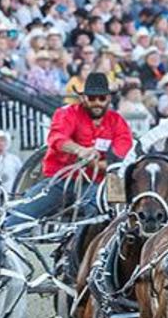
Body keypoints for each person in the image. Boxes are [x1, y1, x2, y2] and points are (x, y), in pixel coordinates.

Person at [8, 73, 133, 226]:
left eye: (102, 98)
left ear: (108, 98)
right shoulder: (67, 113)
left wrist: (94, 165)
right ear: (83, 98)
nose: (97, 103)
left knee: (100, 215)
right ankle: (3, 242)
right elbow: (57, 138)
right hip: (61, 179)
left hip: (97, 183)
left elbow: (120, 157)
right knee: (22, 213)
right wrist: (79, 150)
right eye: (92, 98)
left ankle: (85, 245)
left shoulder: (118, 122)